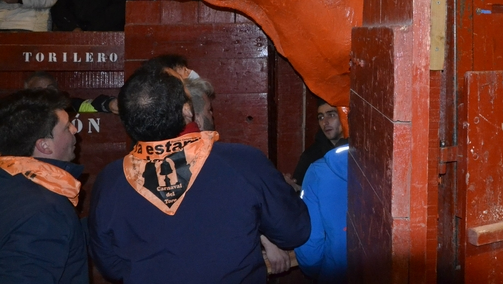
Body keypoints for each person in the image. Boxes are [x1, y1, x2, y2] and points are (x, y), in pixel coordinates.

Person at [89, 66, 311, 283]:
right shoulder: (244, 162)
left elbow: (110, 265)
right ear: (188, 111)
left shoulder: (109, 180)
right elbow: (294, 231)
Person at [0, 88, 87, 283]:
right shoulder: (46, 210)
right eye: (66, 126)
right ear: (44, 145)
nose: (75, 129)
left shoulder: (9, 182)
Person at [295, 144, 349, 284]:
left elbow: (310, 240)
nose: (325, 122)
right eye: (321, 119)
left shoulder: (319, 170)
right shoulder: (398, 163)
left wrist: (314, 271)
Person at [288, 101, 348, 189]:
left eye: (331, 115)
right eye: (321, 117)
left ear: (344, 116)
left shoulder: (358, 150)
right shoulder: (311, 156)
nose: (325, 122)